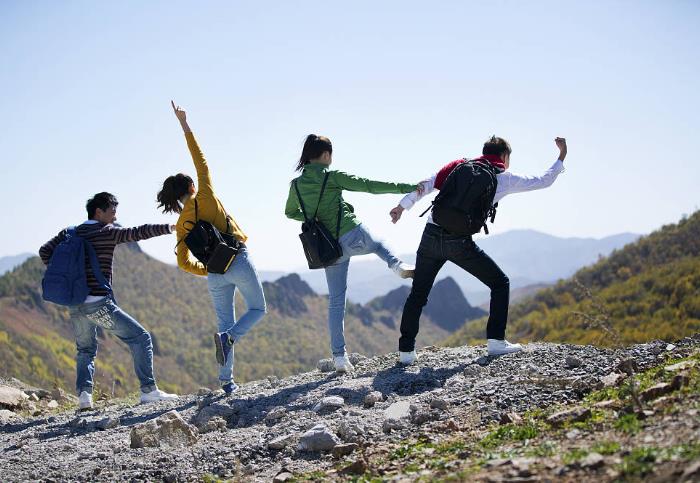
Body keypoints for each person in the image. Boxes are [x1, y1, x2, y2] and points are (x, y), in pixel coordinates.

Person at [391, 136, 568, 363]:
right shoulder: (504, 177)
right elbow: (543, 180)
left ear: (484, 151)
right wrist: (561, 156)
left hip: (431, 236)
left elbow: (425, 185)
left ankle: (406, 353)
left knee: (418, 294)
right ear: (504, 156)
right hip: (460, 243)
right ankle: (496, 342)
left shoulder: (458, 165)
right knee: (500, 283)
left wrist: (402, 206)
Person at [285, 134, 422, 372]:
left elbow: (290, 212)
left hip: (328, 249)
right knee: (379, 245)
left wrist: (313, 219)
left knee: (336, 302)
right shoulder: (333, 176)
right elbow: (369, 185)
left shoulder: (296, 185)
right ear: (326, 155)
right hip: (352, 235)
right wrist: (408, 188)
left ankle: (339, 358)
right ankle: (396, 265)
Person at [157, 101, 266, 394]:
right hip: (237, 259)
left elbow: (181, 262)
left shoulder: (181, 223)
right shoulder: (204, 194)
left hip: (215, 273)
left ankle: (226, 382)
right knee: (258, 309)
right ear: (191, 186)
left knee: (224, 324)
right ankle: (230, 339)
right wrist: (184, 123)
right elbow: (200, 158)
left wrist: (205, 270)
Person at [39, 192, 179, 409]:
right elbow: (138, 233)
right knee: (140, 338)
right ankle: (149, 391)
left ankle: (84, 397)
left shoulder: (70, 233)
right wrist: (170, 228)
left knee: (85, 350)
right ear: (99, 212)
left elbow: (45, 251)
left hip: (75, 304)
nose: (114, 217)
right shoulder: (107, 233)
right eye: (112, 212)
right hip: (97, 303)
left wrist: (68, 273)